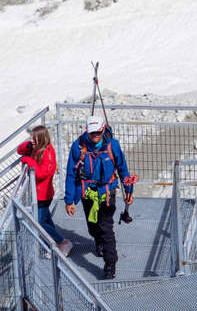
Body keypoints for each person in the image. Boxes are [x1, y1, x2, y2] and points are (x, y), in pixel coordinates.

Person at [64, 116, 133, 279]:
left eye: (98, 132)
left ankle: (110, 264)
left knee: (106, 227)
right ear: (87, 131)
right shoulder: (78, 146)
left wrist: (128, 191)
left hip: (107, 192)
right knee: (93, 225)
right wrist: (69, 200)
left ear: (103, 130)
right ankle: (98, 241)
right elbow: (71, 174)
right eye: (92, 132)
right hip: (87, 192)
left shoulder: (112, 146)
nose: (95, 135)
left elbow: (123, 169)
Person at [17, 125, 73, 257]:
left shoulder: (48, 153)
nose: (32, 141)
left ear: (42, 139)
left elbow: (42, 174)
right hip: (39, 193)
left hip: (43, 195)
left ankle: (63, 242)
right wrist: (29, 146)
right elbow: (19, 150)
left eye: (35, 138)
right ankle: (59, 242)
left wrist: (29, 161)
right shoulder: (36, 148)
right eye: (32, 138)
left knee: (40, 222)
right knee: (46, 219)